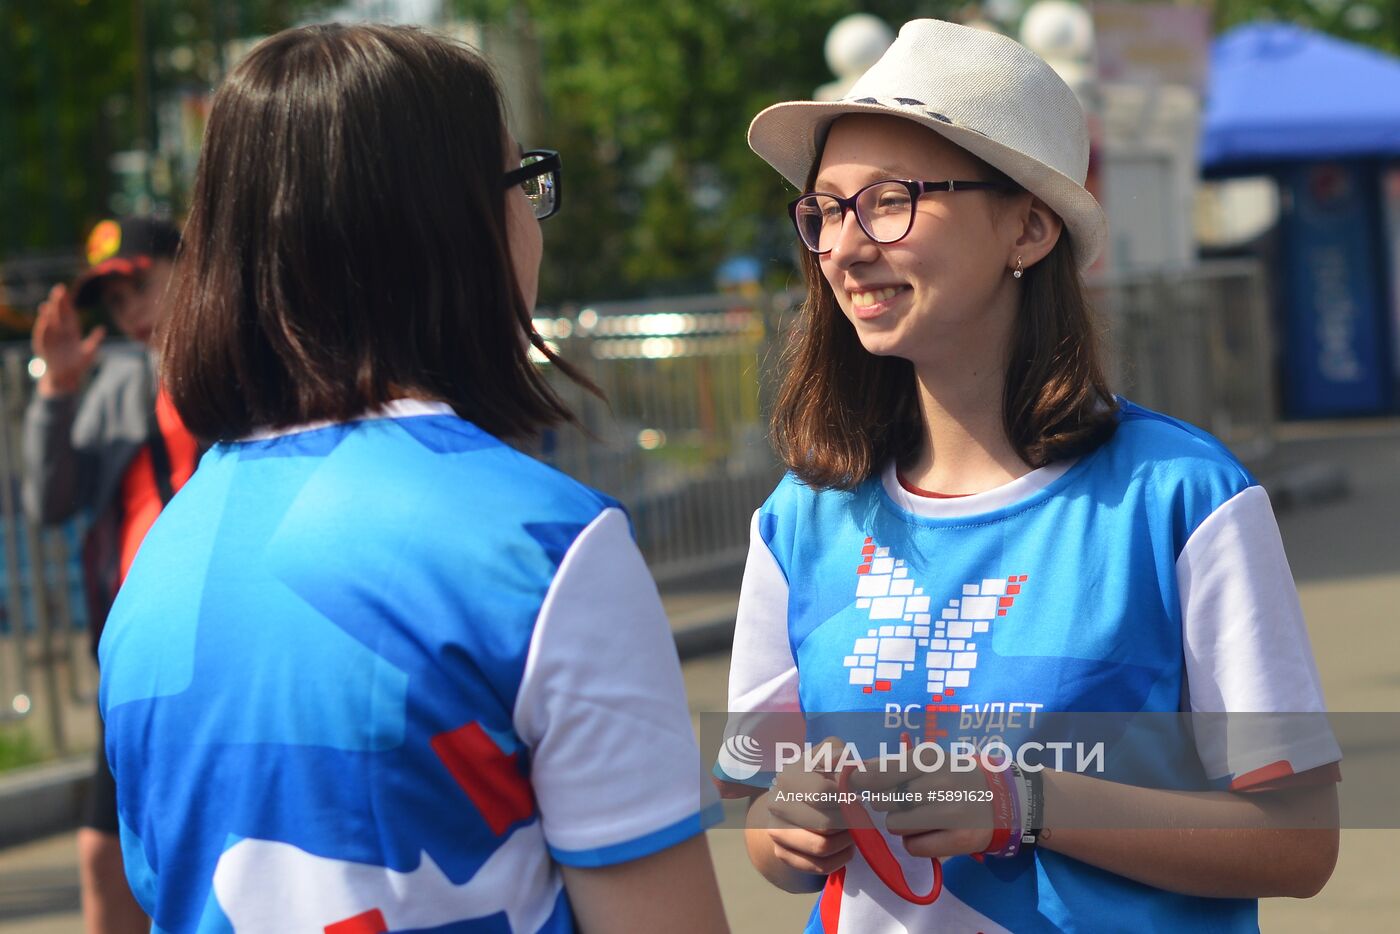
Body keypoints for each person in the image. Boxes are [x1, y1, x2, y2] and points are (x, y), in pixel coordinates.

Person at [96, 23, 728, 933]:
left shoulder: (158, 563)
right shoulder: (548, 545)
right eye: (523, 181)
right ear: (450, 222)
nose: (532, 217)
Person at [722, 19, 1340, 932]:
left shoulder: (1180, 498)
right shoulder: (797, 521)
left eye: (889, 200)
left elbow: (1300, 842)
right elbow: (761, 823)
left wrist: (1024, 801)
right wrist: (792, 821)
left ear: (1030, 226)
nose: (847, 247)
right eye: (824, 211)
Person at [23, 215, 193, 934]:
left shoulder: (250, 369)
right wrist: (58, 389)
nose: (132, 313)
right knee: (104, 856)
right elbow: (48, 501)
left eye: (141, 286)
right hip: (139, 658)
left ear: (191, 268)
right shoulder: (114, 389)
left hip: (220, 640)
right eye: (117, 303)